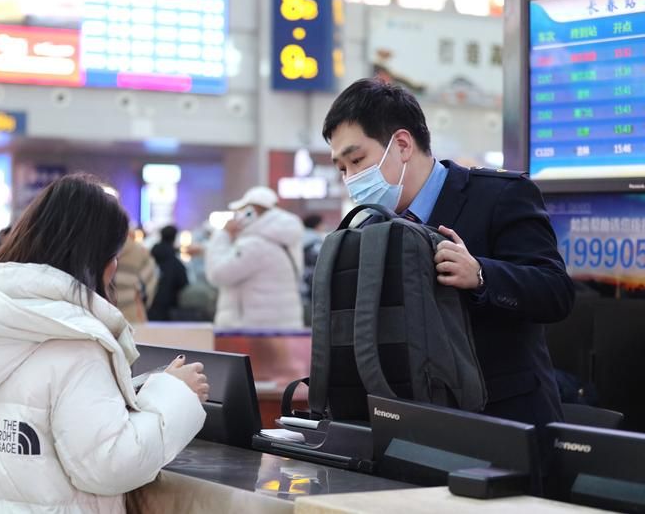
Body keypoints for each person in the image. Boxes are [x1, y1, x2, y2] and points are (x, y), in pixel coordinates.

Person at [0, 174, 208, 513]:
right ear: (98, 259)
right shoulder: (76, 341)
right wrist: (175, 396)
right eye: (114, 254)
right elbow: (109, 465)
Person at [322, 78, 575, 435]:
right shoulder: (369, 230)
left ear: (402, 145)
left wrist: (481, 275)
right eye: (342, 168)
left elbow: (556, 292)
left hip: (505, 423)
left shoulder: (500, 196)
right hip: (415, 425)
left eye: (357, 160)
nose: (351, 178)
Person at [205, 186, 304, 328]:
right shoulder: (284, 240)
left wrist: (223, 234)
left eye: (240, 212)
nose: (237, 217)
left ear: (251, 212)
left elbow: (218, 274)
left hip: (252, 331)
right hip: (279, 326)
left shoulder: (255, 245)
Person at [114, 230, 158, 324]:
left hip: (103, 313)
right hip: (132, 313)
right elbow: (151, 283)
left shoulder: (99, 248)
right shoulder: (140, 251)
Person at [148, 225, 189, 321]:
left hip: (147, 307)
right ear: (174, 238)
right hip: (168, 309)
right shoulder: (175, 263)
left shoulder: (149, 257)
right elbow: (184, 282)